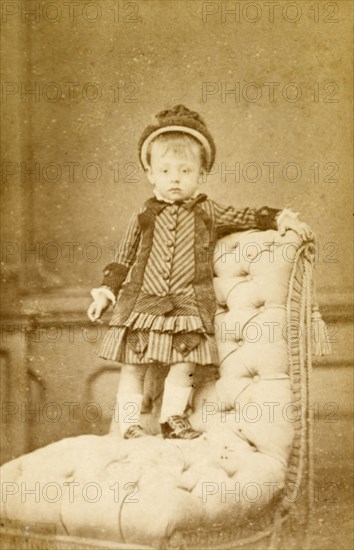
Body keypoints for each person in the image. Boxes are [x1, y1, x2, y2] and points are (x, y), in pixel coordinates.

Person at [87, 104, 313, 440]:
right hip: (141, 305)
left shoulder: (208, 211)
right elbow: (122, 258)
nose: (174, 178)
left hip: (188, 306)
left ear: (201, 174)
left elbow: (243, 216)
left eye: (184, 170)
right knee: (133, 365)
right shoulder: (144, 216)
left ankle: (172, 419)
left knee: (184, 364)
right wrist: (106, 292)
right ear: (150, 173)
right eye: (165, 171)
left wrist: (278, 217)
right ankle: (128, 425)